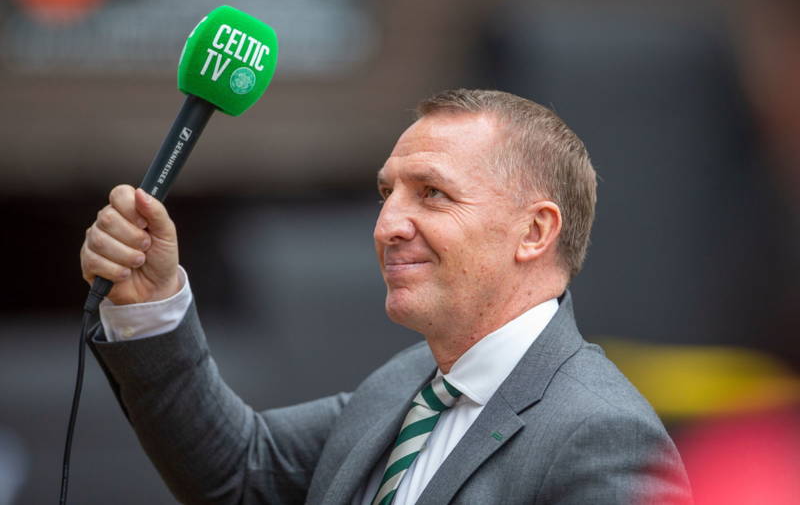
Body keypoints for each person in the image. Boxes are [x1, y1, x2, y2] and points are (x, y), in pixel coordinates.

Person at [80, 89, 692, 504]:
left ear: (534, 232)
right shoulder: (406, 385)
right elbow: (239, 471)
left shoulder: (604, 436)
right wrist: (150, 302)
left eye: (432, 194)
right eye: (386, 193)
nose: (387, 225)